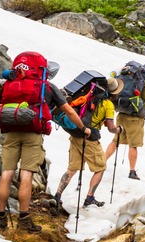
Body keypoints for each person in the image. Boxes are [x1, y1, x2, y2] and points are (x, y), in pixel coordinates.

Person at [0, 53, 91, 232]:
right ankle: (24, 219)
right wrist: (83, 128)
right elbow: (69, 111)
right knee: (26, 174)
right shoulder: (47, 87)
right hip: (33, 134)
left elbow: (4, 106)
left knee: (6, 174)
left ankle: (0, 219)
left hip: (11, 132)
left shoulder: (10, 84)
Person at [53, 77, 124, 208]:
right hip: (90, 138)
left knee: (72, 168)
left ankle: (57, 196)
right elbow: (110, 127)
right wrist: (118, 130)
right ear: (114, 93)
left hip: (76, 134)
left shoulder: (89, 96)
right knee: (100, 168)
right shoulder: (108, 104)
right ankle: (90, 197)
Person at [105, 62, 145, 180]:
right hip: (136, 118)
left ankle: (102, 162)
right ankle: (132, 171)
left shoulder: (129, 79)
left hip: (121, 114)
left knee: (115, 141)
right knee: (133, 145)